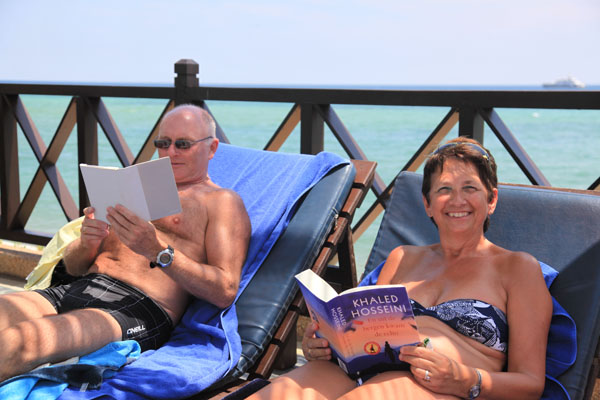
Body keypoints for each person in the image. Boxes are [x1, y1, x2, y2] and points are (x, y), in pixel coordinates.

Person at [250, 137, 552, 399]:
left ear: (492, 199)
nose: (457, 200)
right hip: (361, 371)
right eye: (444, 189)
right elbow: (360, 334)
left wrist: (465, 379)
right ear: (428, 204)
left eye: (470, 187)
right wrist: (325, 343)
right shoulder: (403, 257)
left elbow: (530, 384)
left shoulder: (517, 268)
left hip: (446, 388)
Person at [0, 104, 251, 382]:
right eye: (163, 143)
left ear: (212, 148)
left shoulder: (221, 203)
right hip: (79, 286)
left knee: (18, 344)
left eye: (183, 144)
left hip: (137, 308)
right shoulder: (134, 185)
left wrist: (157, 251)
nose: (170, 152)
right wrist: (87, 242)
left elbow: (225, 288)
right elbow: (74, 266)